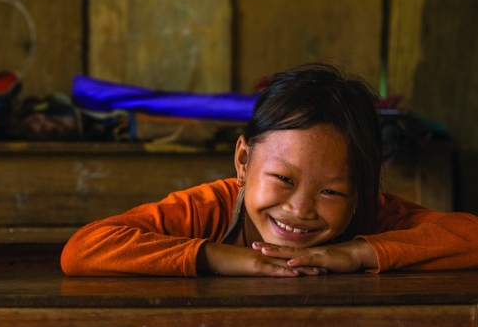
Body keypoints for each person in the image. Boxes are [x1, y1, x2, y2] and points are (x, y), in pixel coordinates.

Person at [61, 63, 478, 277]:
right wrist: (226, 259)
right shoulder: (211, 210)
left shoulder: (369, 214)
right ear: (243, 161)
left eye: (331, 192)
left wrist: (354, 253)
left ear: (361, 191)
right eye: (283, 179)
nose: (300, 209)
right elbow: (84, 248)